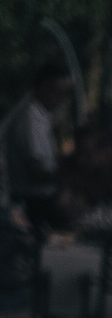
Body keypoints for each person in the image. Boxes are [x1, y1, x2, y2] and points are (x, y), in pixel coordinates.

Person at [2, 62, 72, 232]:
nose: (62, 99)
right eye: (58, 92)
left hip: (39, 195)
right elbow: (38, 168)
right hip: (34, 199)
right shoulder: (29, 118)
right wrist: (68, 173)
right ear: (44, 88)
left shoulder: (41, 115)